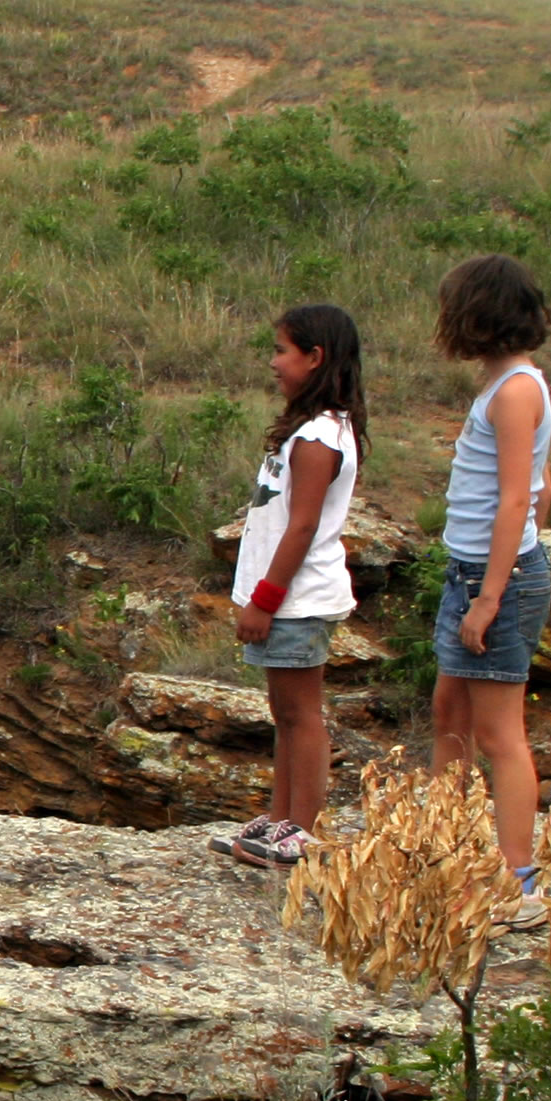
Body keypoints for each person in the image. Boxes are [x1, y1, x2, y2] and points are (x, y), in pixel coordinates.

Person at [427, 253, 551, 921]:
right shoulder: (510, 384)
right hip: (472, 570)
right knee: (450, 712)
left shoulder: (514, 391)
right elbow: (544, 486)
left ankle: (518, 883)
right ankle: (447, 848)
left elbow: (516, 501)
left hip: (490, 579)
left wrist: (491, 597)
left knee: (501, 734)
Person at [219, 304, 366, 868]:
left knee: (302, 714)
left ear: (315, 357)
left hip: (298, 600)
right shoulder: (308, 430)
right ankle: (280, 819)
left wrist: (266, 599)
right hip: (289, 598)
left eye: (282, 350)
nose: (274, 362)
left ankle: (302, 829)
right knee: (284, 711)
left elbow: (303, 524)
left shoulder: (319, 437)